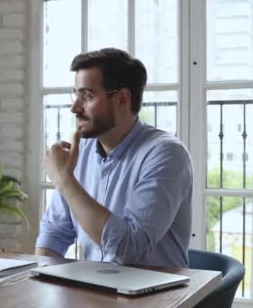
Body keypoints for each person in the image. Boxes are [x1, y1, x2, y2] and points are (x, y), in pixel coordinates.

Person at [35, 48, 192, 268]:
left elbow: (128, 249)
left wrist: (64, 180)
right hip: (94, 291)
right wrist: (39, 282)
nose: (74, 108)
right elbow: (54, 233)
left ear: (122, 99)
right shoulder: (81, 152)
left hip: (154, 297)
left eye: (86, 96)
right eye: (75, 95)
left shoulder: (166, 154)